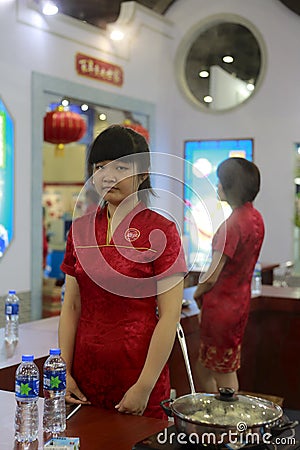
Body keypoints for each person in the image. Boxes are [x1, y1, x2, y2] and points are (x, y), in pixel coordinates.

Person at [58, 124, 187, 419]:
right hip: (84, 378)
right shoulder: (80, 230)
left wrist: (144, 386)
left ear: (143, 173)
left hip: (139, 373)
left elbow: (169, 315)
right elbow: (72, 305)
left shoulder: (162, 230)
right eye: (100, 167)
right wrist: (63, 371)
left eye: (121, 167)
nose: (108, 176)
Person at [193, 157, 265, 393]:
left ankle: (230, 425)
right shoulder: (255, 218)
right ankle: (214, 422)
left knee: (222, 372)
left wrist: (198, 291)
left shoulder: (232, 225)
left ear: (230, 187)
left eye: (220, 182)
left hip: (221, 308)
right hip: (238, 303)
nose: (217, 187)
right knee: (208, 367)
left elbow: (212, 274)